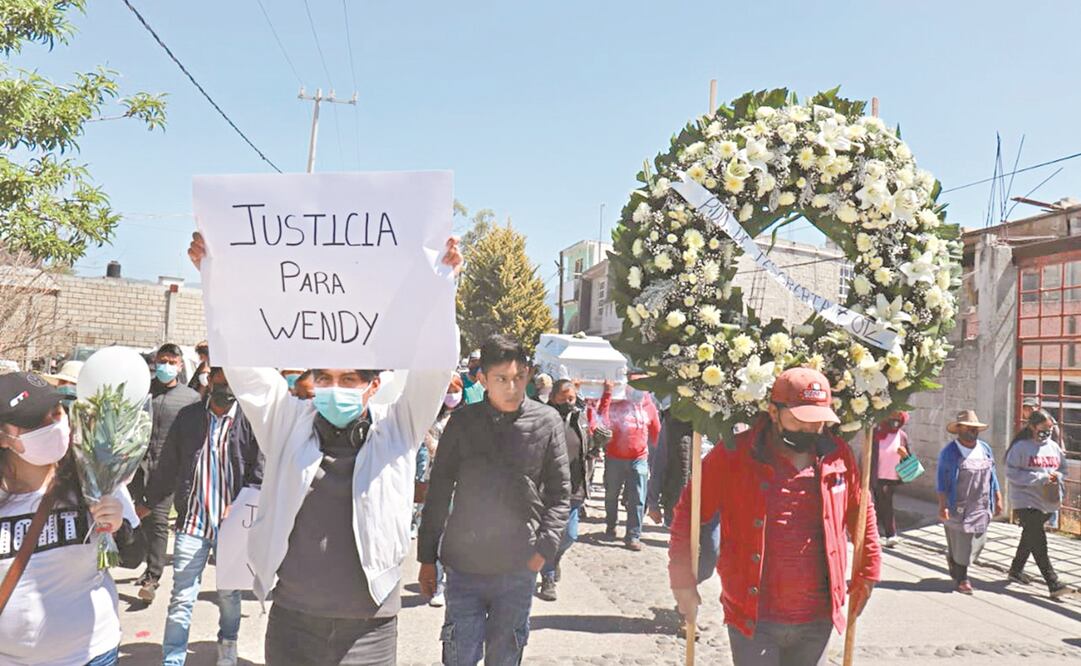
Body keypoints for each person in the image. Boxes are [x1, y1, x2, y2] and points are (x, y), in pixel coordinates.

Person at [187, 231, 461, 665]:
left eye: (349, 380)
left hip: (369, 629)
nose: (336, 389)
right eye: (326, 378)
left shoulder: (398, 428)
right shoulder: (286, 423)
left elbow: (433, 364)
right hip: (293, 621)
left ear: (373, 386)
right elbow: (243, 362)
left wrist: (442, 285)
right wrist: (215, 280)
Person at [668, 368, 880, 666]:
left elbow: (862, 511)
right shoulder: (734, 454)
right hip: (752, 618)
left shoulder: (838, 456)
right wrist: (682, 583)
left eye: (817, 422)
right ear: (773, 411)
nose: (809, 429)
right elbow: (688, 513)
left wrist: (868, 572)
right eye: (799, 420)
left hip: (818, 617)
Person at [418, 334, 571, 665]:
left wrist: (543, 551)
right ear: (483, 378)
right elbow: (439, 491)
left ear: (528, 375)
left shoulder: (547, 422)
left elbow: (560, 495)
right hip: (464, 568)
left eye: (518, 378)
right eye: (501, 379)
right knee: (460, 654)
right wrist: (427, 557)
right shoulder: (462, 423)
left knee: (506, 656)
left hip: (518, 568)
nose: (511, 387)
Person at [0, 372, 144, 666]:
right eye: (35, 421)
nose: (53, 425)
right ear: (4, 437)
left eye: (56, 413)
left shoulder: (95, 478)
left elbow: (134, 557)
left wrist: (120, 528)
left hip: (91, 655)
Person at [145, 367, 264, 665]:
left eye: (230, 385)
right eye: (219, 383)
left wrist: (240, 504)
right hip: (193, 521)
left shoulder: (249, 420)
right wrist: (147, 501)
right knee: (182, 596)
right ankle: (173, 657)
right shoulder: (189, 418)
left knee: (228, 595)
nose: (225, 390)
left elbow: (260, 472)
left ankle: (228, 642)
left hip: (232, 526)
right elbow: (168, 464)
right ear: (209, 382)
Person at [131, 343, 202, 603]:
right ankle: (136, 561)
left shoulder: (190, 399)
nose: (166, 366)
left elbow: (192, 441)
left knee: (159, 520)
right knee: (136, 518)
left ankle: (152, 577)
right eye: (163, 360)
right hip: (136, 468)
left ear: (180, 366)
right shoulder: (143, 392)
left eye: (172, 362)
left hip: (167, 471)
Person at [536, 378, 611, 602]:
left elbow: (589, 448)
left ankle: (555, 559)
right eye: (563, 398)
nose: (568, 402)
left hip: (575, 486)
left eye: (571, 398)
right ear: (552, 397)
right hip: (548, 488)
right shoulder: (543, 418)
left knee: (569, 535)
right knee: (551, 534)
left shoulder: (582, 418)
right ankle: (547, 578)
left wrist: (598, 444)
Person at [936, 410, 1003, 595]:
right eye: (968, 427)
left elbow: (993, 475)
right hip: (958, 504)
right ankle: (962, 579)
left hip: (981, 504)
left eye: (975, 428)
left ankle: (954, 561)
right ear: (959, 429)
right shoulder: (950, 452)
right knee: (962, 544)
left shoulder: (985, 449)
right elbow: (942, 480)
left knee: (979, 542)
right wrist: (942, 505)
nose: (972, 431)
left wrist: (998, 497)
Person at [1005, 408, 1070, 599]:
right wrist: (1040, 477)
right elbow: (1011, 473)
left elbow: (1063, 469)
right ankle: (1053, 583)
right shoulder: (1020, 448)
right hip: (1026, 500)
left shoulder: (1053, 447)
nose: (1047, 432)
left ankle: (1015, 570)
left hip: (1047, 500)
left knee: (1030, 537)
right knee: (1039, 540)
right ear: (1032, 427)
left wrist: (1056, 476)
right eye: (1043, 428)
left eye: (1050, 428)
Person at [413, 375, 466, 607]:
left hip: (464, 486)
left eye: (457, 389)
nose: (452, 394)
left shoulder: (470, 418)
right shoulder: (433, 419)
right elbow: (429, 446)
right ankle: (438, 583)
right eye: (449, 390)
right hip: (438, 483)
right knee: (437, 531)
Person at [600, 380, 660, 551]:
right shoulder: (616, 402)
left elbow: (656, 430)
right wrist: (607, 395)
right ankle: (611, 525)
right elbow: (602, 419)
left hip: (639, 458)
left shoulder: (649, 405)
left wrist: (656, 453)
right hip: (614, 457)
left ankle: (633, 536)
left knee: (638, 498)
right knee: (611, 494)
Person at [871, 412, 910, 548]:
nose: (895, 421)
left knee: (883, 504)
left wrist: (904, 454)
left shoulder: (902, 436)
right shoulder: (877, 432)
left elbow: (908, 457)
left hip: (893, 477)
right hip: (878, 476)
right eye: (892, 418)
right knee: (882, 504)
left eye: (898, 419)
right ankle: (888, 534)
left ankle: (881, 533)